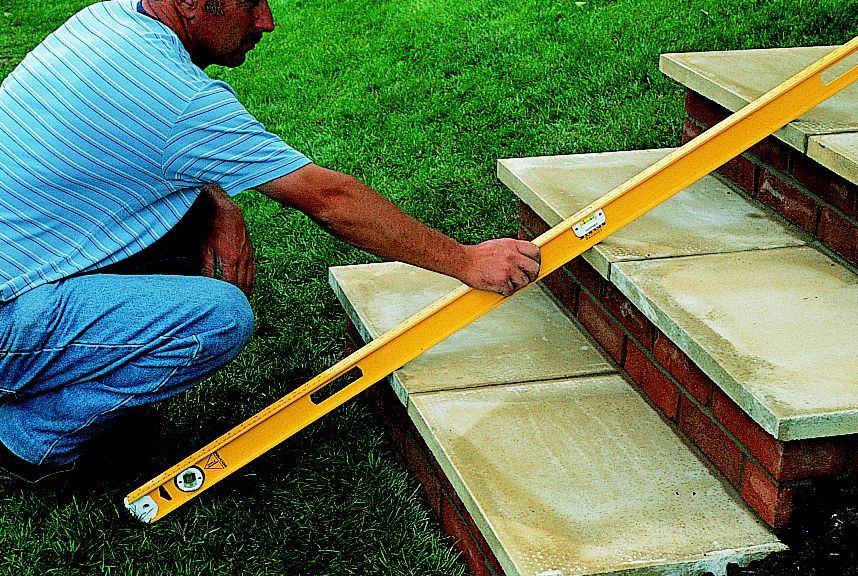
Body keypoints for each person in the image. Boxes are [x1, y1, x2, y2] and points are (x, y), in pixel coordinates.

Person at [0, 0, 541, 487]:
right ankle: (29, 439)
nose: (266, 21)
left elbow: (147, 142)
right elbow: (328, 197)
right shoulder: (176, 95)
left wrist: (219, 203)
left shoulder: (108, 20)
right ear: (189, 4)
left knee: (189, 243)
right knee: (218, 317)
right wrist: (464, 260)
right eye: (250, 3)